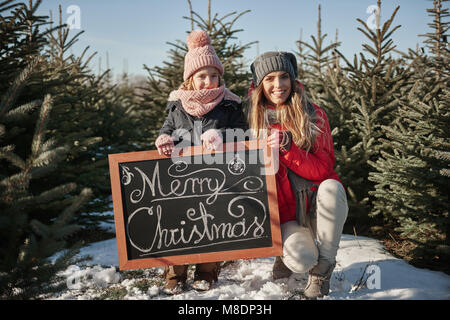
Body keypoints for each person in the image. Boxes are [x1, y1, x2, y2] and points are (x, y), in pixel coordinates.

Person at [247, 51, 348, 299]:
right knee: (302, 259)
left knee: (332, 188)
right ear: (260, 84)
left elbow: (323, 169)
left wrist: (288, 148)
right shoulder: (249, 119)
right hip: (286, 217)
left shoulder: (314, 114)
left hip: (315, 206)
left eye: (283, 77)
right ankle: (286, 255)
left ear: (292, 80)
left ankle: (322, 272)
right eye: (269, 78)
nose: (278, 85)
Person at [154, 30, 248, 294]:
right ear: (190, 79)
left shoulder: (229, 106)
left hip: (217, 177)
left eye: (213, 75)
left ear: (220, 76)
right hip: (183, 178)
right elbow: (168, 128)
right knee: (179, 221)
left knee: (211, 221)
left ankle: (206, 270)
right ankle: (175, 272)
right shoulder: (178, 105)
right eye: (202, 76)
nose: (208, 81)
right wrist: (164, 138)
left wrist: (221, 136)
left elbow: (244, 134)